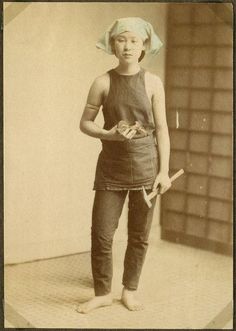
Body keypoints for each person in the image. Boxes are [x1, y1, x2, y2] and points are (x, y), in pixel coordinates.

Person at [77, 17, 171, 314]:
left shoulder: (153, 82)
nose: (128, 46)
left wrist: (164, 171)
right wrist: (107, 134)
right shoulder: (102, 82)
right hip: (111, 166)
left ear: (144, 45)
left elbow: (163, 129)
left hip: (146, 166)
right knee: (101, 233)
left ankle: (129, 290)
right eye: (122, 39)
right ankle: (103, 293)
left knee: (139, 234)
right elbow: (85, 123)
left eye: (134, 40)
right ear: (112, 44)